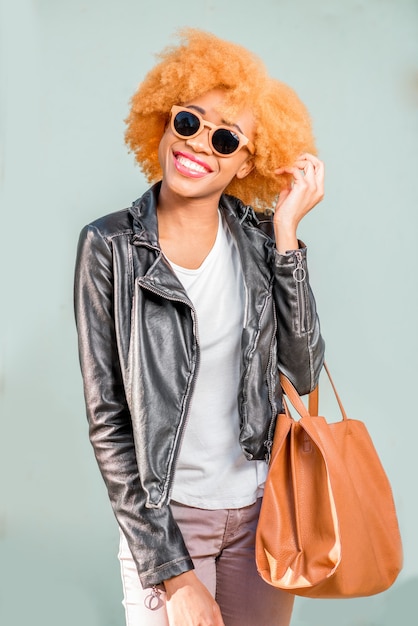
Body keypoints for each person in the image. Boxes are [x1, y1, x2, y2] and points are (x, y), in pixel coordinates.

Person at [74, 28, 325, 626]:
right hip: (167, 518)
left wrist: (287, 237)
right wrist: (171, 570)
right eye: (190, 122)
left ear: (246, 164)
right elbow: (108, 420)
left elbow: (304, 369)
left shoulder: (262, 242)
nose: (199, 146)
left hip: (263, 512)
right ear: (163, 122)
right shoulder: (109, 246)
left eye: (225, 138)